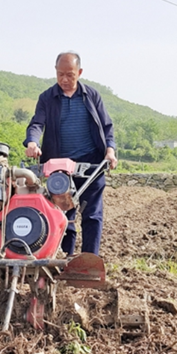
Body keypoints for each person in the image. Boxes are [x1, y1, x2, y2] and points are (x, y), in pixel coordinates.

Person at [24, 51, 117, 257]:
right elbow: (37, 124)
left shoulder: (92, 96)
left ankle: (88, 261)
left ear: (80, 72)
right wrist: (32, 142)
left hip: (90, 165)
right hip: (59, 166)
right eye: (60, 75)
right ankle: (64, 259)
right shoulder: (47, 98)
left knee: (92, 214)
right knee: (63, 213)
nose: (64, 80)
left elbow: (107, 127)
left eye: (70, 75)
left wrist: (110, 151)